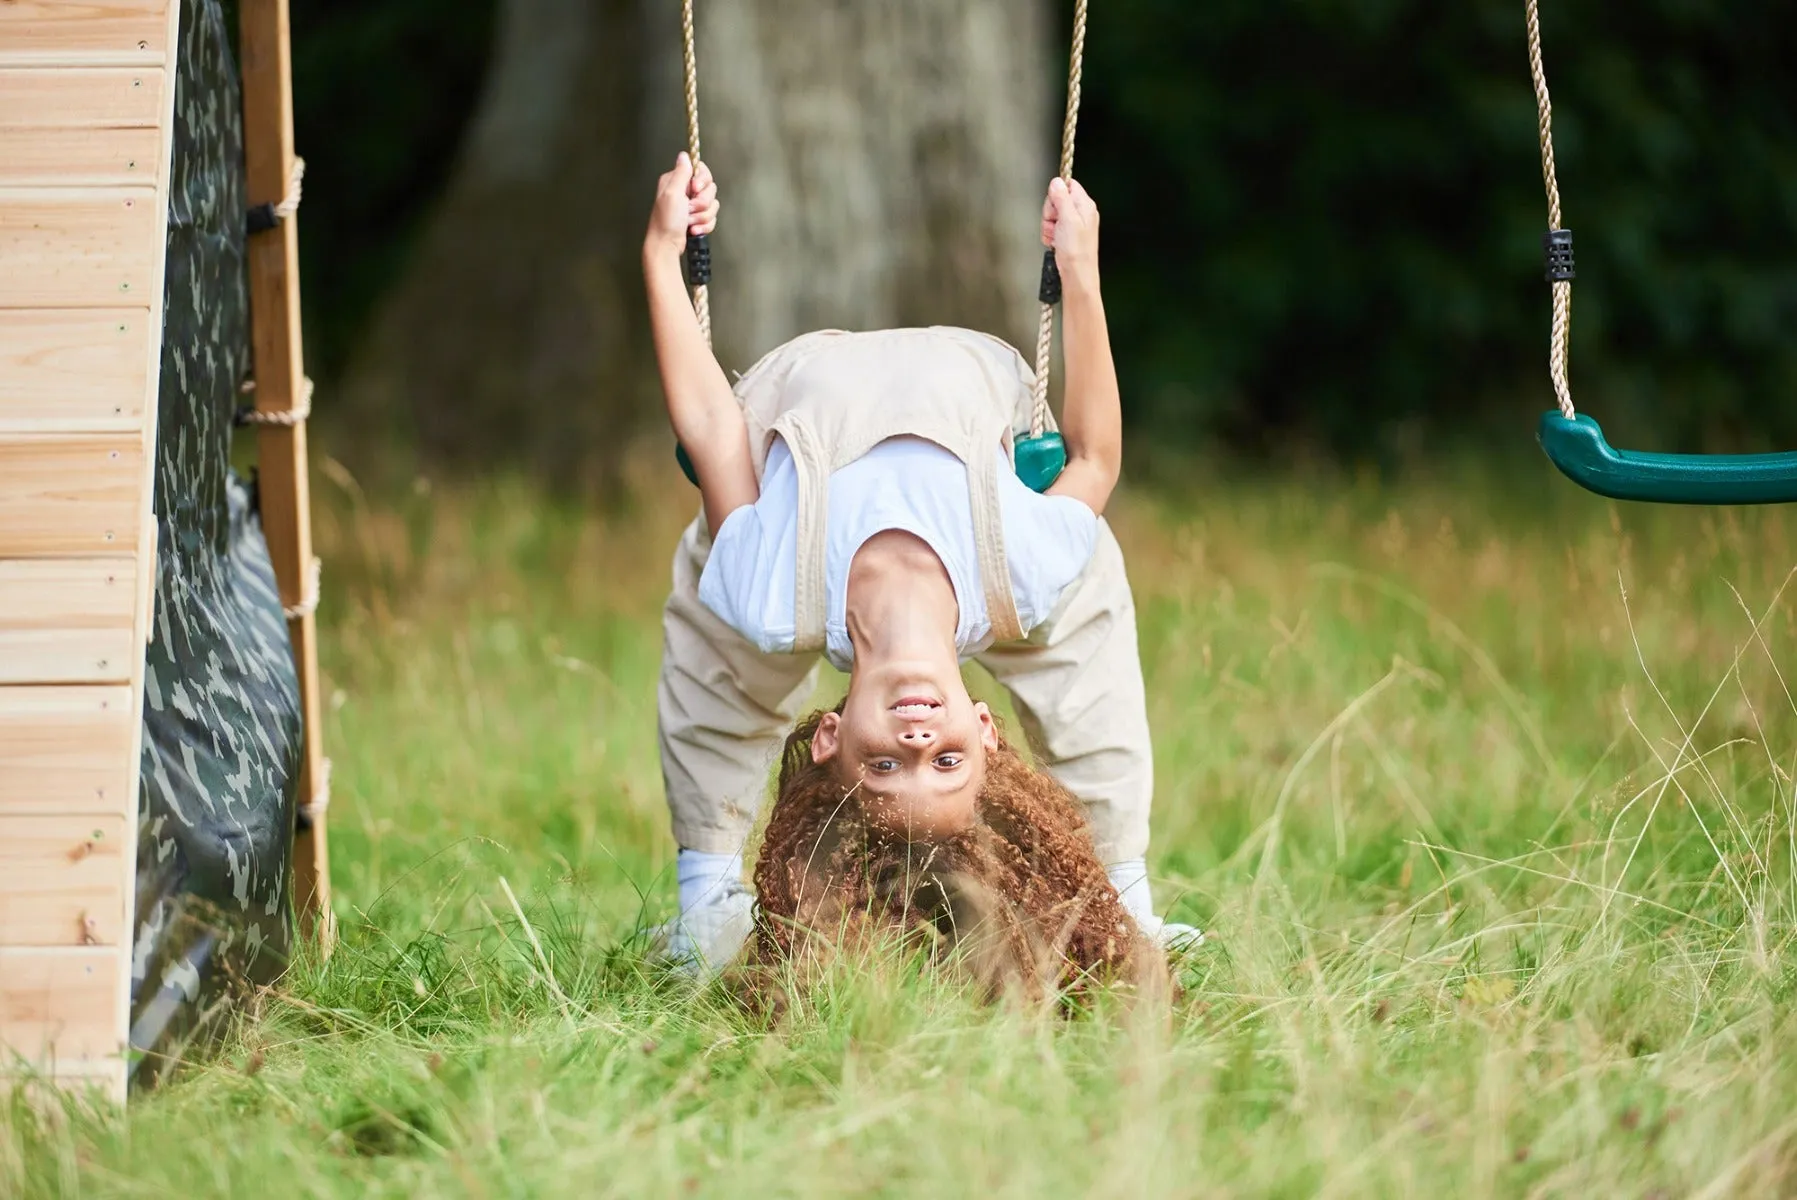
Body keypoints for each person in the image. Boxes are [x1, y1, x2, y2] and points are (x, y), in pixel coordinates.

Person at [643, 151, 1200, 972]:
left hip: (800, 392)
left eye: (884, 763)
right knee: (1087, 657)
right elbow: (1094, 457)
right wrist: (1079, 273)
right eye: (945, 761)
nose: (916, 736)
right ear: (983, 731)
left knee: (716, 647)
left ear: (831, 736)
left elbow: (712, 429)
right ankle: (1124, 898)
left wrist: (662, 253)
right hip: (975, 388)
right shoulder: (1019, 574)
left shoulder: (772, 594)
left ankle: (706, 894)